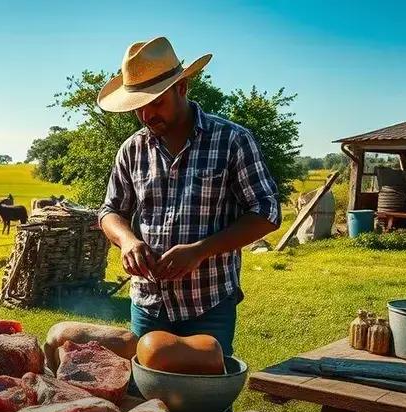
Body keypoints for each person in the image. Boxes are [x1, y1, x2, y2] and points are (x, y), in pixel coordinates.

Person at [97, 36, 281, 357]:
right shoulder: (132, 149)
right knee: (145, 394)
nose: (146, 115)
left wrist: (200, 250)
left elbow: (266, 212)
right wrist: (127, 241)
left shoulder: (232, 140)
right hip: (147, 303)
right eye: (138, 107)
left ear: (181, 88)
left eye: (156, 102)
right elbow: (110, 211)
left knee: (202, 398)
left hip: (208, 305)